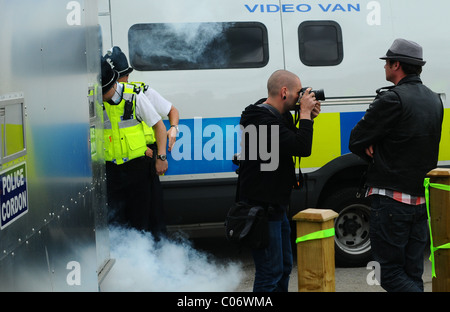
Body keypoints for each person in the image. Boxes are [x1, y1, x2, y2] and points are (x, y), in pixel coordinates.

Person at [349, 38, 443, 292]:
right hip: (421, 203)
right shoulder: (435, 100)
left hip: (391, 202)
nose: (384, 68)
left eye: (387, 63)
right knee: (412, 274)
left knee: (386, 273)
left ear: (396, 64)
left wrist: (375, 149)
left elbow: (356, 140)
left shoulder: (391, 99)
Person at [238, 69, 321, 292]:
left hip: (276, 206)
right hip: (262, 208)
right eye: (298, 93)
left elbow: (293, 140)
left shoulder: (277, 115)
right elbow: (302, 148)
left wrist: (308, 117)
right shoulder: (261, 120)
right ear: (284, 92)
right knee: (269, 272)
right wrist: (304, 116)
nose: (300, 97)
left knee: (283, 267)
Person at [105, 46, 179, 237]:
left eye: (124, 76)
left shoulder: (140, 92)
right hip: (128, 158)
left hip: (146, 157)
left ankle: (157, 250)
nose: (123, 81)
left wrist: (173, 129)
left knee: (152, 214)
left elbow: (170, 113)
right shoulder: (102, 99)